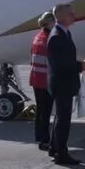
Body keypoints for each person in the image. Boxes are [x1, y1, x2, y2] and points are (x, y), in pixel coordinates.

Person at [46, 3, 85, 165]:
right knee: (63, 119)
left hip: (63, 83)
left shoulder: (63, 33)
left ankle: (54, 147)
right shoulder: (57, 36)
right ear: (60, 16)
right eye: (70, 13)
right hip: (62, 84)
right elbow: (62, 64)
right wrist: (82, 65)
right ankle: (61, 153)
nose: (74, 15)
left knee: (60, 117)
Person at [30, 11, 56, 152]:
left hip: (36, 78)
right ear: (50, 23)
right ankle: (45, 140)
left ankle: (40, 137)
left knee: (40, 110)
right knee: (45, 111)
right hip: (45, 79)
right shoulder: (49, 38)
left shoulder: (37, 37)